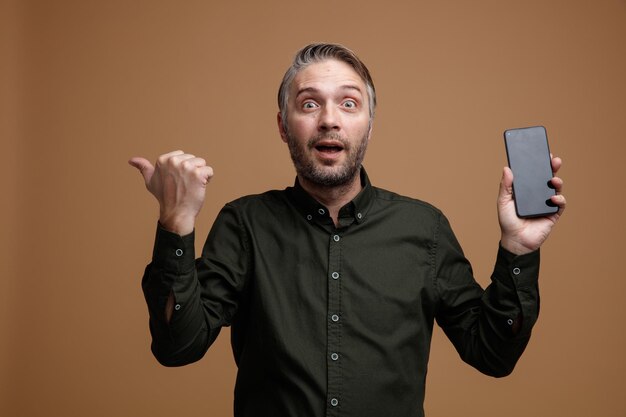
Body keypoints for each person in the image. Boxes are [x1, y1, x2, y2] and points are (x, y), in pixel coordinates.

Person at [129, 43, 566, 417]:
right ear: (284, 127)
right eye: (309, 103)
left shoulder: (424, 229)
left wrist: (517, 249)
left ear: (369, 127)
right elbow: (177, 347)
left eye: (349, 103)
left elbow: (492, 354)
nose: (329, 120)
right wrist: (176, 223)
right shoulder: (245, 224)